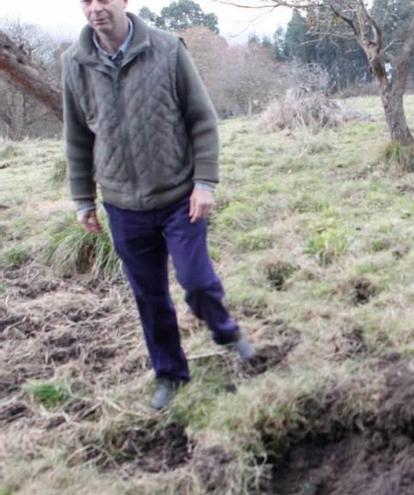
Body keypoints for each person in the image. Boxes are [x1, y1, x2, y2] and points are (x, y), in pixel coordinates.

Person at [62, 0, 255, 410]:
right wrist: (82, 198)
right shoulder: (74, 64)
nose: (97, 8)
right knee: (149, 297)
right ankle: (170, 374)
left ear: (125, 1)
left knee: (197, 282)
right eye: (86, 0)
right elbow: (78, 137)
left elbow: (201, 118)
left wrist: (204, 182)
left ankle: (226, 331)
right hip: (122, 206)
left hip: (179, 198)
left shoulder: (168, 49)